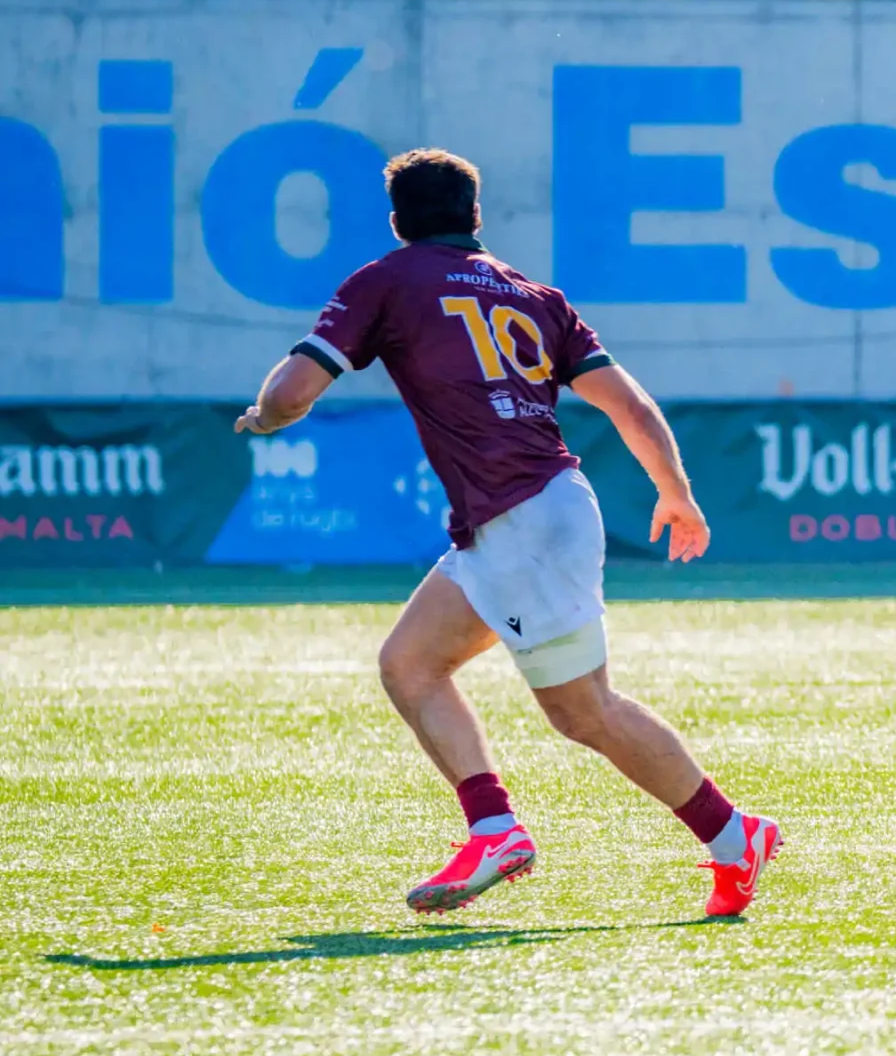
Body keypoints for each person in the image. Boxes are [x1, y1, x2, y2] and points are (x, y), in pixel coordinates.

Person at [233, 150, 781, 916]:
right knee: (410, 665)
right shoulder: (536, 295)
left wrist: (264, 415)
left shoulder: (386, 279)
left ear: (398, 221)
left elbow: (293, 392)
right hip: (529, 512)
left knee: (584, 711)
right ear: (476, 217)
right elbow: (631, 406)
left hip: (521, 517)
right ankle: (494, 826)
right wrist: (676, 492)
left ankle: (732, 835)